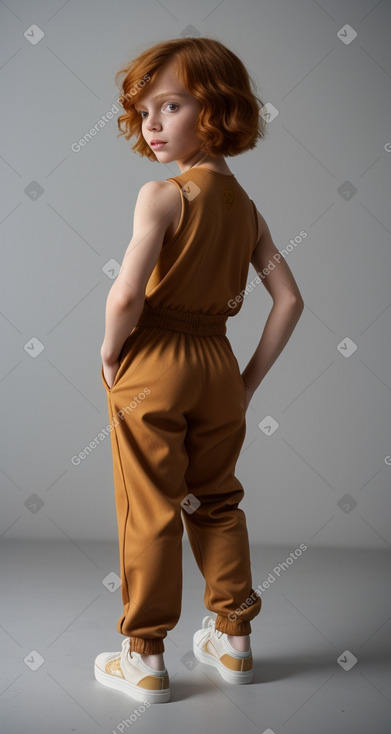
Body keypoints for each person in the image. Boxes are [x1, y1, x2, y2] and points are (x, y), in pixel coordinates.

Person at [94, 36, 304, 704]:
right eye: (144, 110)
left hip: (153, 361)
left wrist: (109, 348)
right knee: (215, 500)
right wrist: (243, 384)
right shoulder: (247, 211)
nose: (152, 124)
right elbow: (290, 301)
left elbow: (126, 295)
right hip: (217, 365)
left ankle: (145, 656)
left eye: (171, 105)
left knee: (149, 507)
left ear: (215, 109)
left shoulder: (161, 196)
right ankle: (234, 640)